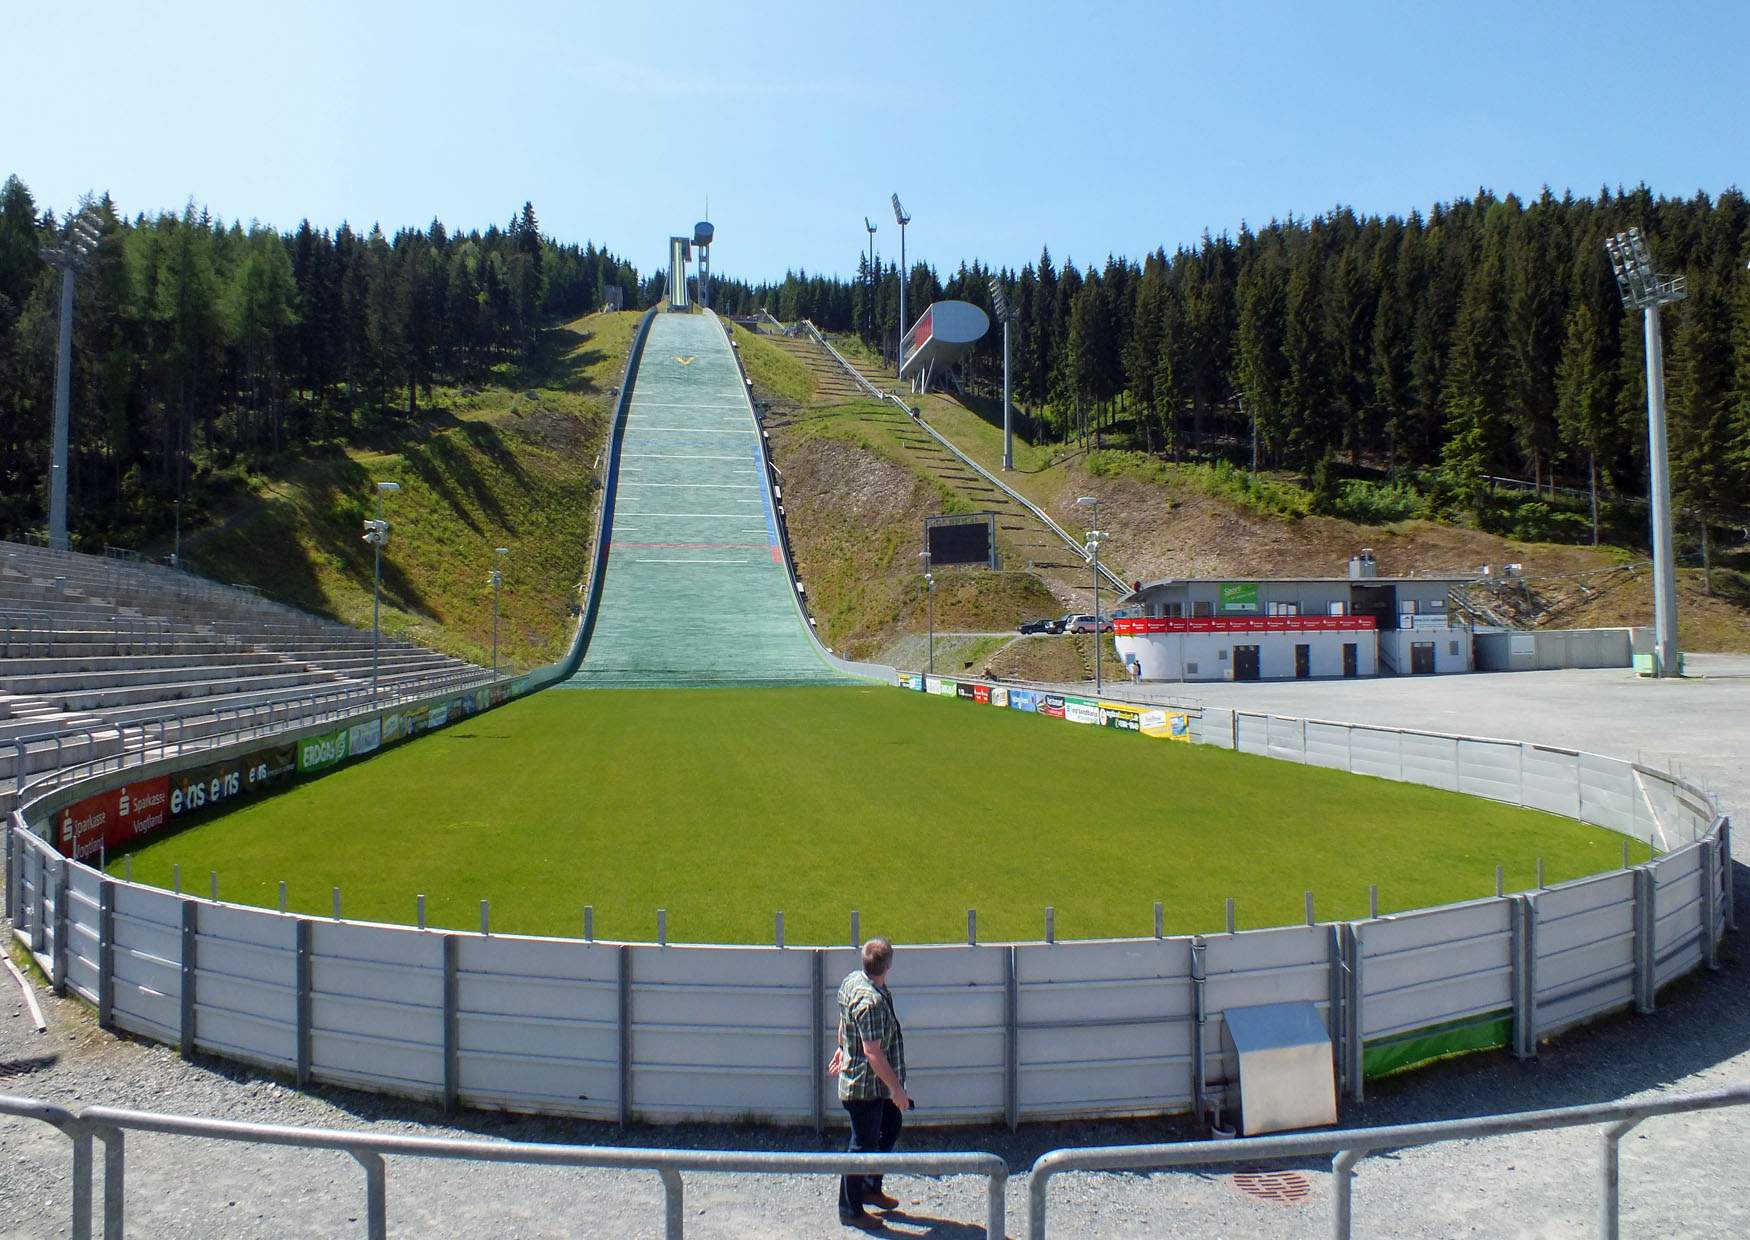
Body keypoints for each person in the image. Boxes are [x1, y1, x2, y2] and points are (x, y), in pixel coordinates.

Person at [827, 936, 910, 1229]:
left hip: (871, 1085)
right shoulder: (871, 1002)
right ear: (887, 965)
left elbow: (845, 1022)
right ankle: (850, 1209)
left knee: (890, 1127)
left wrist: (841, 1047)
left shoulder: (853, 982)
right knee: (861, 1147)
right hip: (865, 1088)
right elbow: (872, 1053)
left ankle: (870, 1187)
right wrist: (897, 1090)